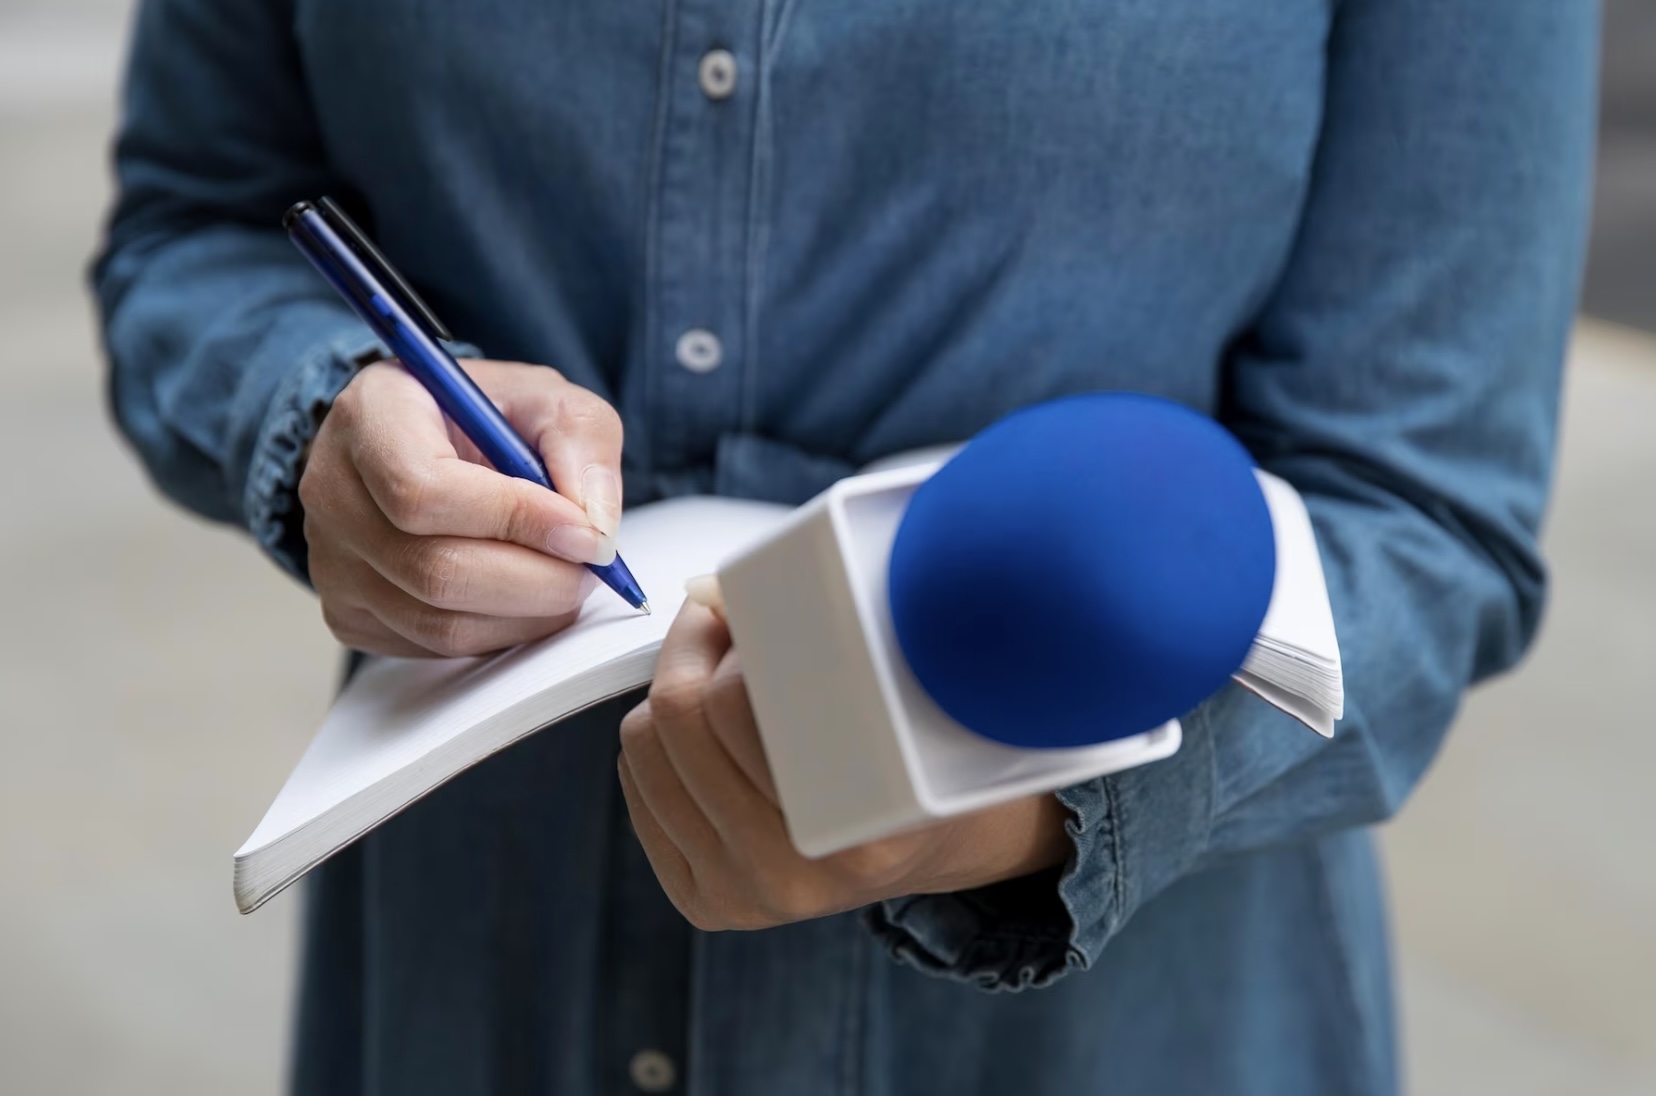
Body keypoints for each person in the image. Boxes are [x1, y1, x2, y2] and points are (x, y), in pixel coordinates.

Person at [94, 2, 1598, 1093]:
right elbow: (194, 222)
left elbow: (1426, 506)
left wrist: (1013, 824)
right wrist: (318, 423)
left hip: (1124, 1041)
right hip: (468, 990)